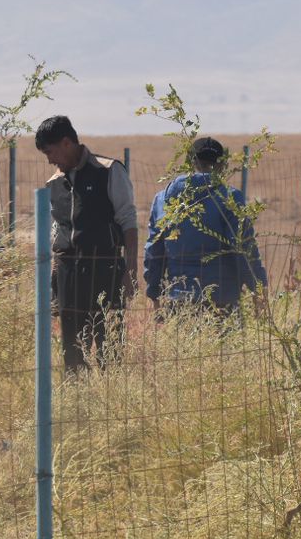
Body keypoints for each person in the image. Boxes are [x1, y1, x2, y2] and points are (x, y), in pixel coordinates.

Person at [36, 116, 138, 372]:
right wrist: (55, 278)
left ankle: (110, 400)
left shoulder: (109, 170)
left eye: (50, 152)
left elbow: (128, 221)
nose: (50, 160)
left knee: (110, 346)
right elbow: (55, 231)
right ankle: (79, 404)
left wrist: (131, 270)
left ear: (67, 142)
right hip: (68, 276)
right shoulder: (53, 183)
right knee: (72, 350)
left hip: (106, 269)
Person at [143, 136, 266, 317]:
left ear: (190, 162)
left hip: (179, 297)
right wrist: (257, 287)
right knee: (224, 345)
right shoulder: (230, 198)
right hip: (222, 299)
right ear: (222, 165)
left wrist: (154, 292)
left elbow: (155, 251)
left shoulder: (163, 199)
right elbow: (242, 248)